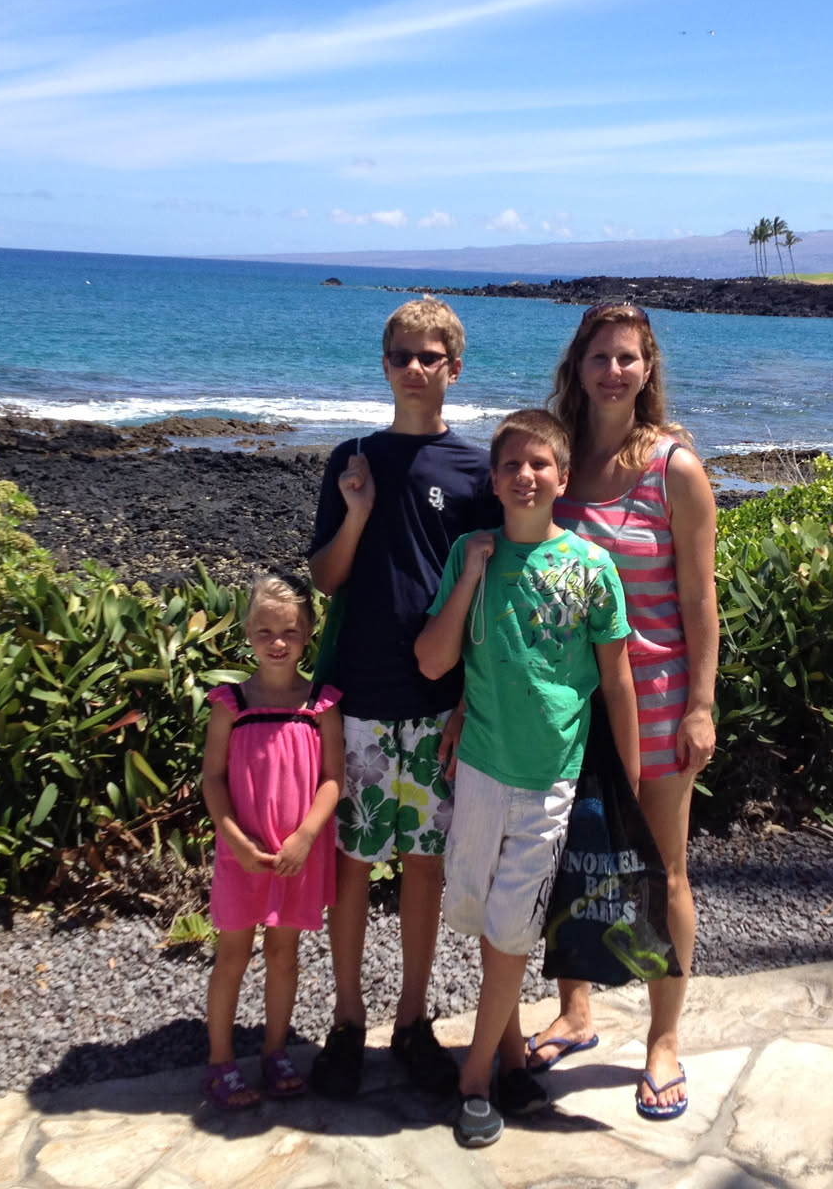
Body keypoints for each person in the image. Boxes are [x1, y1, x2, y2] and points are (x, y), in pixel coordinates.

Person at [415, 408, 640, 1150]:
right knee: (484, 920)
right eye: (511, 464)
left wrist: (630, 785)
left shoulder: (592, 568)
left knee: (511, 930)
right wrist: (472, 573)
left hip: (550, 779)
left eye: (540, 464)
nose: (525, 476)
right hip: (480, 768)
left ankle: (475, 1078)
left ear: (562, 477)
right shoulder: (469, 553)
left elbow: (617, 683)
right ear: (493, 479)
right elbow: (434, 661)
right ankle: (511, 1059)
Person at [306, 295, 502, 1099]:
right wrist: (356, 512)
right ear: (384, 366)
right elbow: (325, 578)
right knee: (352, 866)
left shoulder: (476, 472)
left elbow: (489, 597)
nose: (415, 369)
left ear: (454, 368)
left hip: (436, 703)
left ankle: (413, 1019)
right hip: (357, 696)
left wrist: (468, 700)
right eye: (401, 357)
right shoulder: (352, 459)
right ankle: (348, 1020)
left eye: (430, 357)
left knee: (423, 867)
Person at [529, 301, 719, 1122]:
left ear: (648, 369)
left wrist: (701, 706)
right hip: (569, 704)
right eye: (599, 356)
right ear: (577, 365)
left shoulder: (674, 467)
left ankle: (663, 1041)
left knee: (662, 869)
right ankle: (575, 1012)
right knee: (567, 860)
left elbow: (699, 600)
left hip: (660, 699)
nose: (613, 371)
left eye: (627, 358)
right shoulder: (559, 460)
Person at [199, 573, 346, 1108]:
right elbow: (213, 778)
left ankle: (275, 1050)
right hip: (242, 855)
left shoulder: (321, 705)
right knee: (231, 956)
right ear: (247, 634)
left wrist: (306, 836)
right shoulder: (231, 704)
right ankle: (220, 1062)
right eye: (265, 631)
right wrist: (234, 840)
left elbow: (333, 779)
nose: (277, 642)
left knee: (284, 955)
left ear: (307, 634)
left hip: (296, 857)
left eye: (289, 631)